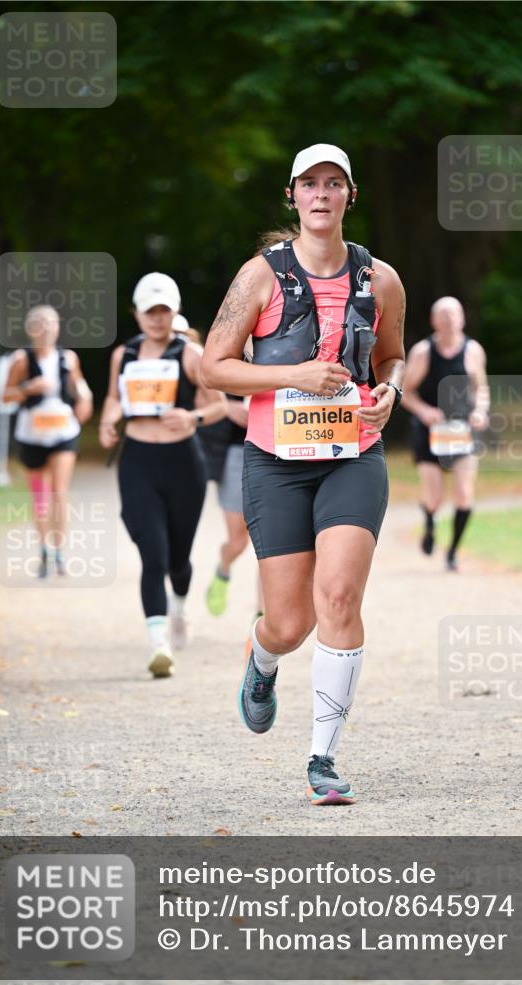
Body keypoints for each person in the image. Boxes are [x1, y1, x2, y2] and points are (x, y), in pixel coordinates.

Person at [201, 143, 406, 804]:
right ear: (292, 196)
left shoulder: (382, 281)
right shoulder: (259, 277)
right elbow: (212, 365)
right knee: (289, 624)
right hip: (275, 462)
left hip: (352, 456)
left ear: (350, 195)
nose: (321, 195)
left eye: (334, 184)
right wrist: (292, 374)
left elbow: (394, 357)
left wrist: (390, 392)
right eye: (309, 184)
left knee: (339, 598)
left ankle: (323, 757)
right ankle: (261, 661)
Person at [99, 273, 226, 678]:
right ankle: (159, 645)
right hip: (137, 460)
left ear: (173, 313)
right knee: (152, 554)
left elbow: (220, 405)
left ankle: (178, 609)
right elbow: (113, 399)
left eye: (163, 311)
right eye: (149, 311)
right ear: (136, 313)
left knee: (177, 559)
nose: (156, 319)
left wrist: (192, 416)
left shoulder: (189, 354)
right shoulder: (125, 354)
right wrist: (108, 422)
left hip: (183, 464)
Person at [2, 305, 93, 577]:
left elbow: (79, 385)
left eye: (52, 323)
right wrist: (29, 388)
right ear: (31, 329)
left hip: (63, 431)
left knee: (59, 491)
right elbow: (5, 396)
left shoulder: (68, 358)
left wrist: (85, 399)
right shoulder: (20, 360)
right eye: (41, 323)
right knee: (40, 494)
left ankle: (60, 550)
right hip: (31, 434)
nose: (47, 328)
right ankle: (43, 549)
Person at [401, 296, 489, 572]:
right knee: (435, 497)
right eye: (444, 315)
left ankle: (452, 552)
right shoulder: (423, 352)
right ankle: (429, 521)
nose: (450, 319)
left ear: (463, 318)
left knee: (464, 494)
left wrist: (481, 411)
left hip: (462, 430)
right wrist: (425, 411)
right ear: (434, 320)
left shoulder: (473, 351)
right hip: (430, 431)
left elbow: (481, 388)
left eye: (454, 314)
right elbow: (404, 392)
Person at [199, 392, 257, 616]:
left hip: (280, 451)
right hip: (237, 452)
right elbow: (198, 394)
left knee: (277, 546)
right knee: (238, 541)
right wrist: (226, 406)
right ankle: (223, 570)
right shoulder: (231, 356)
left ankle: (262, 615)